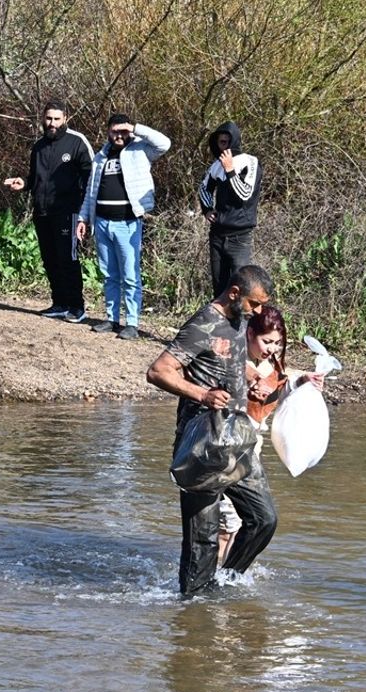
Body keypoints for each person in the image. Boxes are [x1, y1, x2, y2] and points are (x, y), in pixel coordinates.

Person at [145, 264, 272, 594]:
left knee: (263, 519)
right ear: (234, 293)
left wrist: (252, 379)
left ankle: (226, 581)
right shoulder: (202, 324)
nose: (257, 312)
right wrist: (203, 394)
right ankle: (192, 609)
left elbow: (224, 358)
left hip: (235, 442)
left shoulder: (237, 320)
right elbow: (159, 371)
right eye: (254, 304)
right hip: (201, 446)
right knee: (202, 542)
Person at [216, 305, 325, 566]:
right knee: (228, 521)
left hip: (251, 447)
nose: (272, 348)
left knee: (246, 520)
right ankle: (216, 579)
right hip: (224, 446)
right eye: (266, 341)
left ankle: (226, 576)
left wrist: (303, 381)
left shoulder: (272, 362)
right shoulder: (231, 355)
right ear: (250, 333)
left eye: (277, 343)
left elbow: (279, 384)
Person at [76, 113, 171, 340]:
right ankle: (111, 319)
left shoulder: (140, 150)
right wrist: (83, 218)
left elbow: (164, 143)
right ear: (107, 131)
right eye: (114, 131)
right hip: (101, 222)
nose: (118, 135)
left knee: (130, 275)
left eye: (123, 131)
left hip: (127, 223)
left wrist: (136, 128)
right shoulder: (101, 156)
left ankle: (132, 323)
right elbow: (91, 190)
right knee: (109, 274)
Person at [4, 100, 94, 323]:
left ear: (66, 119)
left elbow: (92, 178)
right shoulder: (39, 146)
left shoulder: (77, 142)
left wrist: (85, 211)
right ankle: (59, 303)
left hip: (68, 211)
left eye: (56, 119)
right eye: (48, 118)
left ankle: (76, 306)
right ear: (43, 118)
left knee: (68, 259)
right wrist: (23, 184)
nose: (52, 123)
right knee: (50, 259)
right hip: (42, 212)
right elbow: (35, 179)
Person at [198, 121, 262, 295]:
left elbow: (245, 194)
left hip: (240, 237)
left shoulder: (250, 161)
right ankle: (220, 322)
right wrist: (207, 210)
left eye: (227, 142)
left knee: (240, 288)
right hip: (218, 234)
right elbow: (204, 188)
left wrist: (230, 170)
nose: (224, 146)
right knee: (219, 288)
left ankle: (240, 323)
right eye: (221, 142)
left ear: (235, 141)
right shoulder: (215, 166)